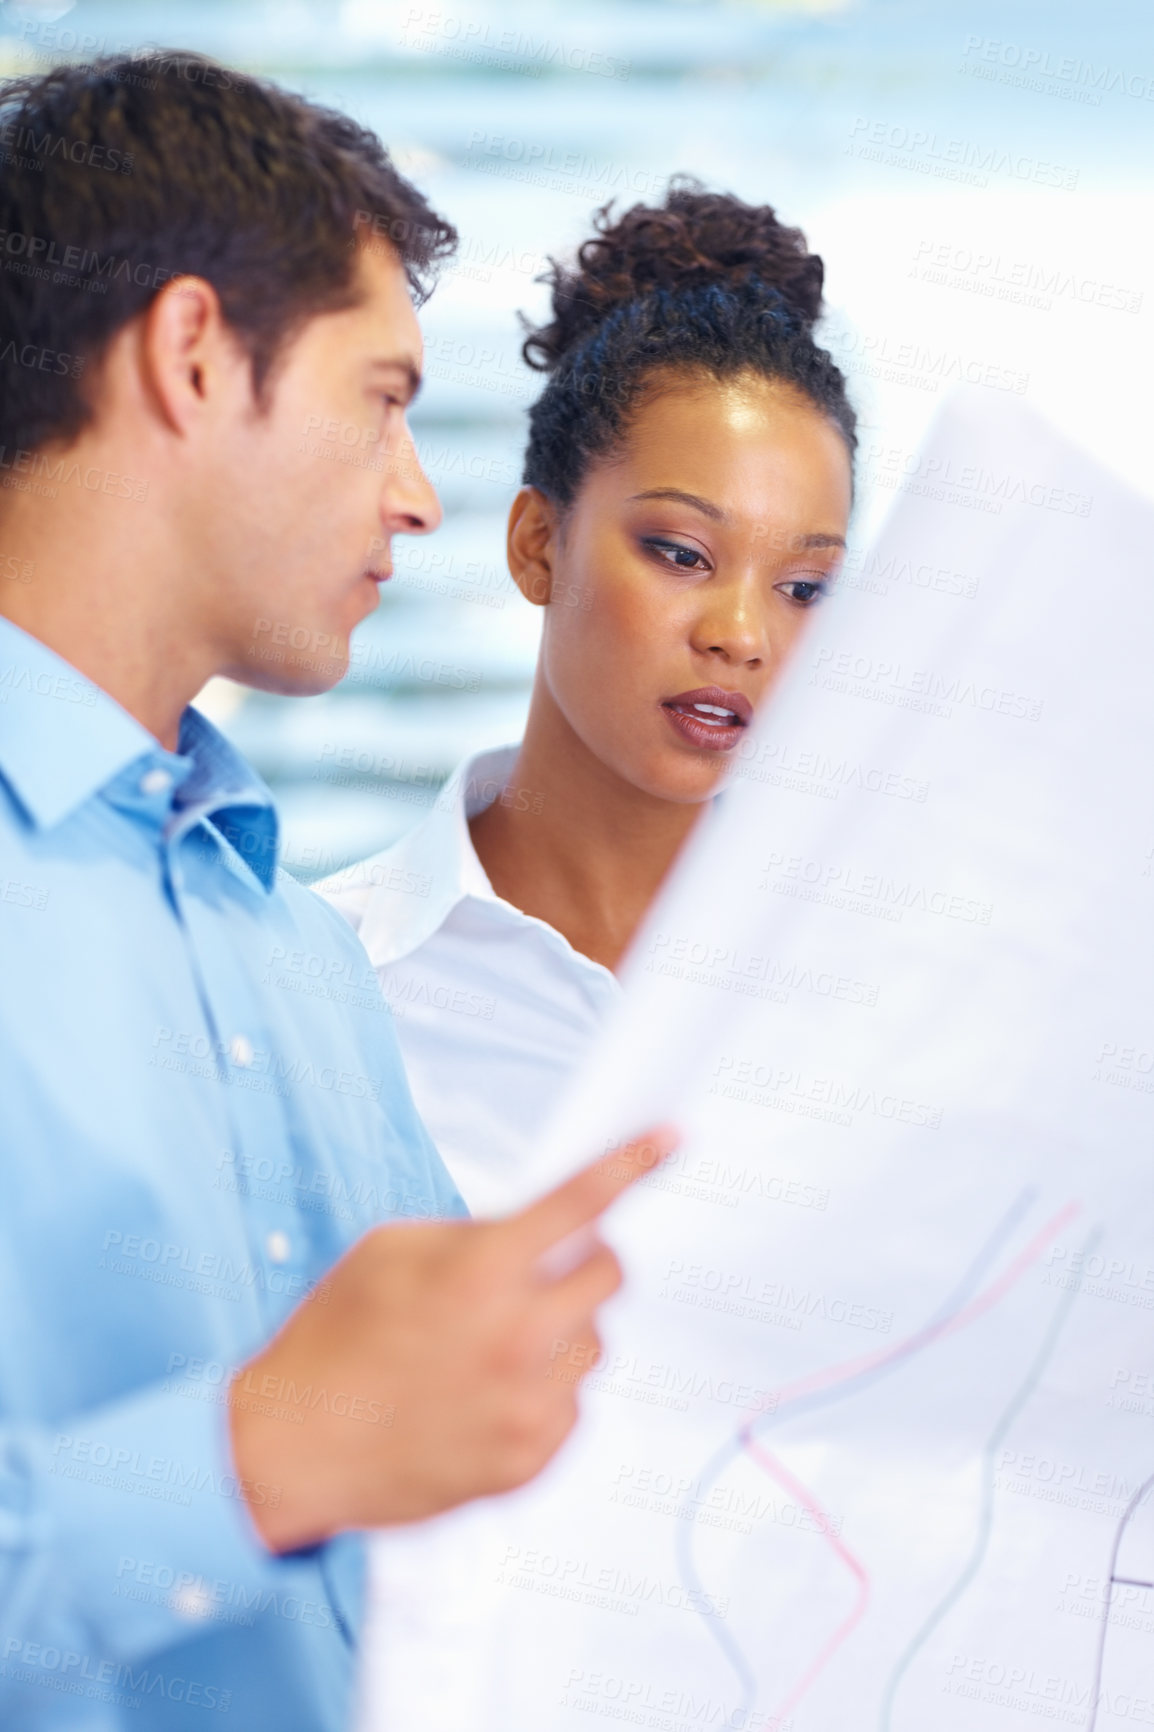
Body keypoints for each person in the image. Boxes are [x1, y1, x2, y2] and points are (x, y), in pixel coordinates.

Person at [0, 51, 671, 1731]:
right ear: (194, 355)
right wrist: (259, 1455)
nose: (417, 493)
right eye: (380, 398)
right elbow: (305, 1446)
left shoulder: (293, 953)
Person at [319, 185, 855, 1215]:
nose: (740, 634)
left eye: (801, 587)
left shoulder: (867, 983)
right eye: (679, 552)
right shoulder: (322, 984)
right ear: (535, 545)